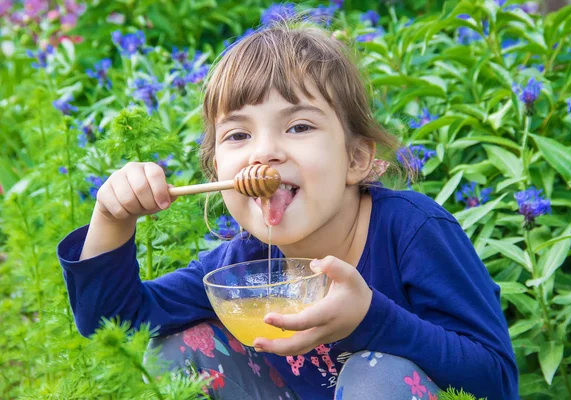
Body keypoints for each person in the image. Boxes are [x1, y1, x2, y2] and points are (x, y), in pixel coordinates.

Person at [57, 22, 519, 400]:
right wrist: (113, 220)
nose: (264, 153)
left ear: (356, 158)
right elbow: (114, 326)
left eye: (298, 126)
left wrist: (372, 319)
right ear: (216, 167)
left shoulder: (413, 232)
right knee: (171, 353)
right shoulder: (242, 268)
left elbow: (496, 380)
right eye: (237, 136)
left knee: (375, 377)